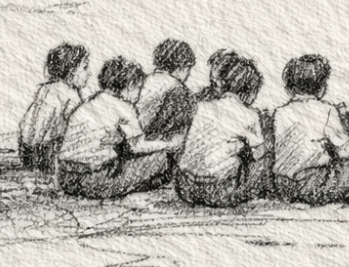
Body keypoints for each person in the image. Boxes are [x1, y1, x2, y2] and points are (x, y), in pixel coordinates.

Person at [271, 55, 349, 208]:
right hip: (312, 184)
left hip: (283, 185)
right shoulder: (327, 110)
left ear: (289, 89)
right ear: (322, 88)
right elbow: (344, 152)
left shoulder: (279, 112)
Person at [56, 57, 184, 199]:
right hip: (96, 180)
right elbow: (136, 146)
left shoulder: (90, 103)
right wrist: (168, 144)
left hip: (66, 178)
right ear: (130, 85)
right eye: (139, 88)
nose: (139, 93)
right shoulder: (124, 108)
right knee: (161, 159)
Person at [175, 56, 268, 207]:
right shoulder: (249, 114)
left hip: (185, 186)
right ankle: (250, 191)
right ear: (249, 91)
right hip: (218, 190)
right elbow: (259, 153)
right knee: (253, 150)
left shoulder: (201, 107)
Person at [19, 43, 90, 174]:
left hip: (26, 150)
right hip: (47, 152)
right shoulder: (70, 93)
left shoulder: (45, 88)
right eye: (85, 68)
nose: (89, 73)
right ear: (71, 72)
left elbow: (28, 124)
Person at [137, 39, 198, 141]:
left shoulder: (142, 80)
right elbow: (176, 138)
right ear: (182, 67)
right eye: (188, 69)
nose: (188, 74)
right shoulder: (180, 91)